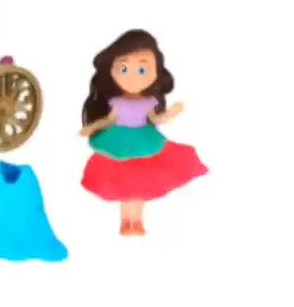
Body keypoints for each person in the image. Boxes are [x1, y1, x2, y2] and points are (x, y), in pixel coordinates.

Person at [79, 30, 207, 235]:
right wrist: (92, 127)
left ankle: (136, 221)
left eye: (142, 69)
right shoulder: (116, 102)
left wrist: (171, 113)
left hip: (143, 140)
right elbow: (108, 120)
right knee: (124, 184)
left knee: (138, 183)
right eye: (123, 68)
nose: (132, 78)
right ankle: (126, 221)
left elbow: (156, 119)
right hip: (118, 141)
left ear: (157, 71)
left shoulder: (149, 102)